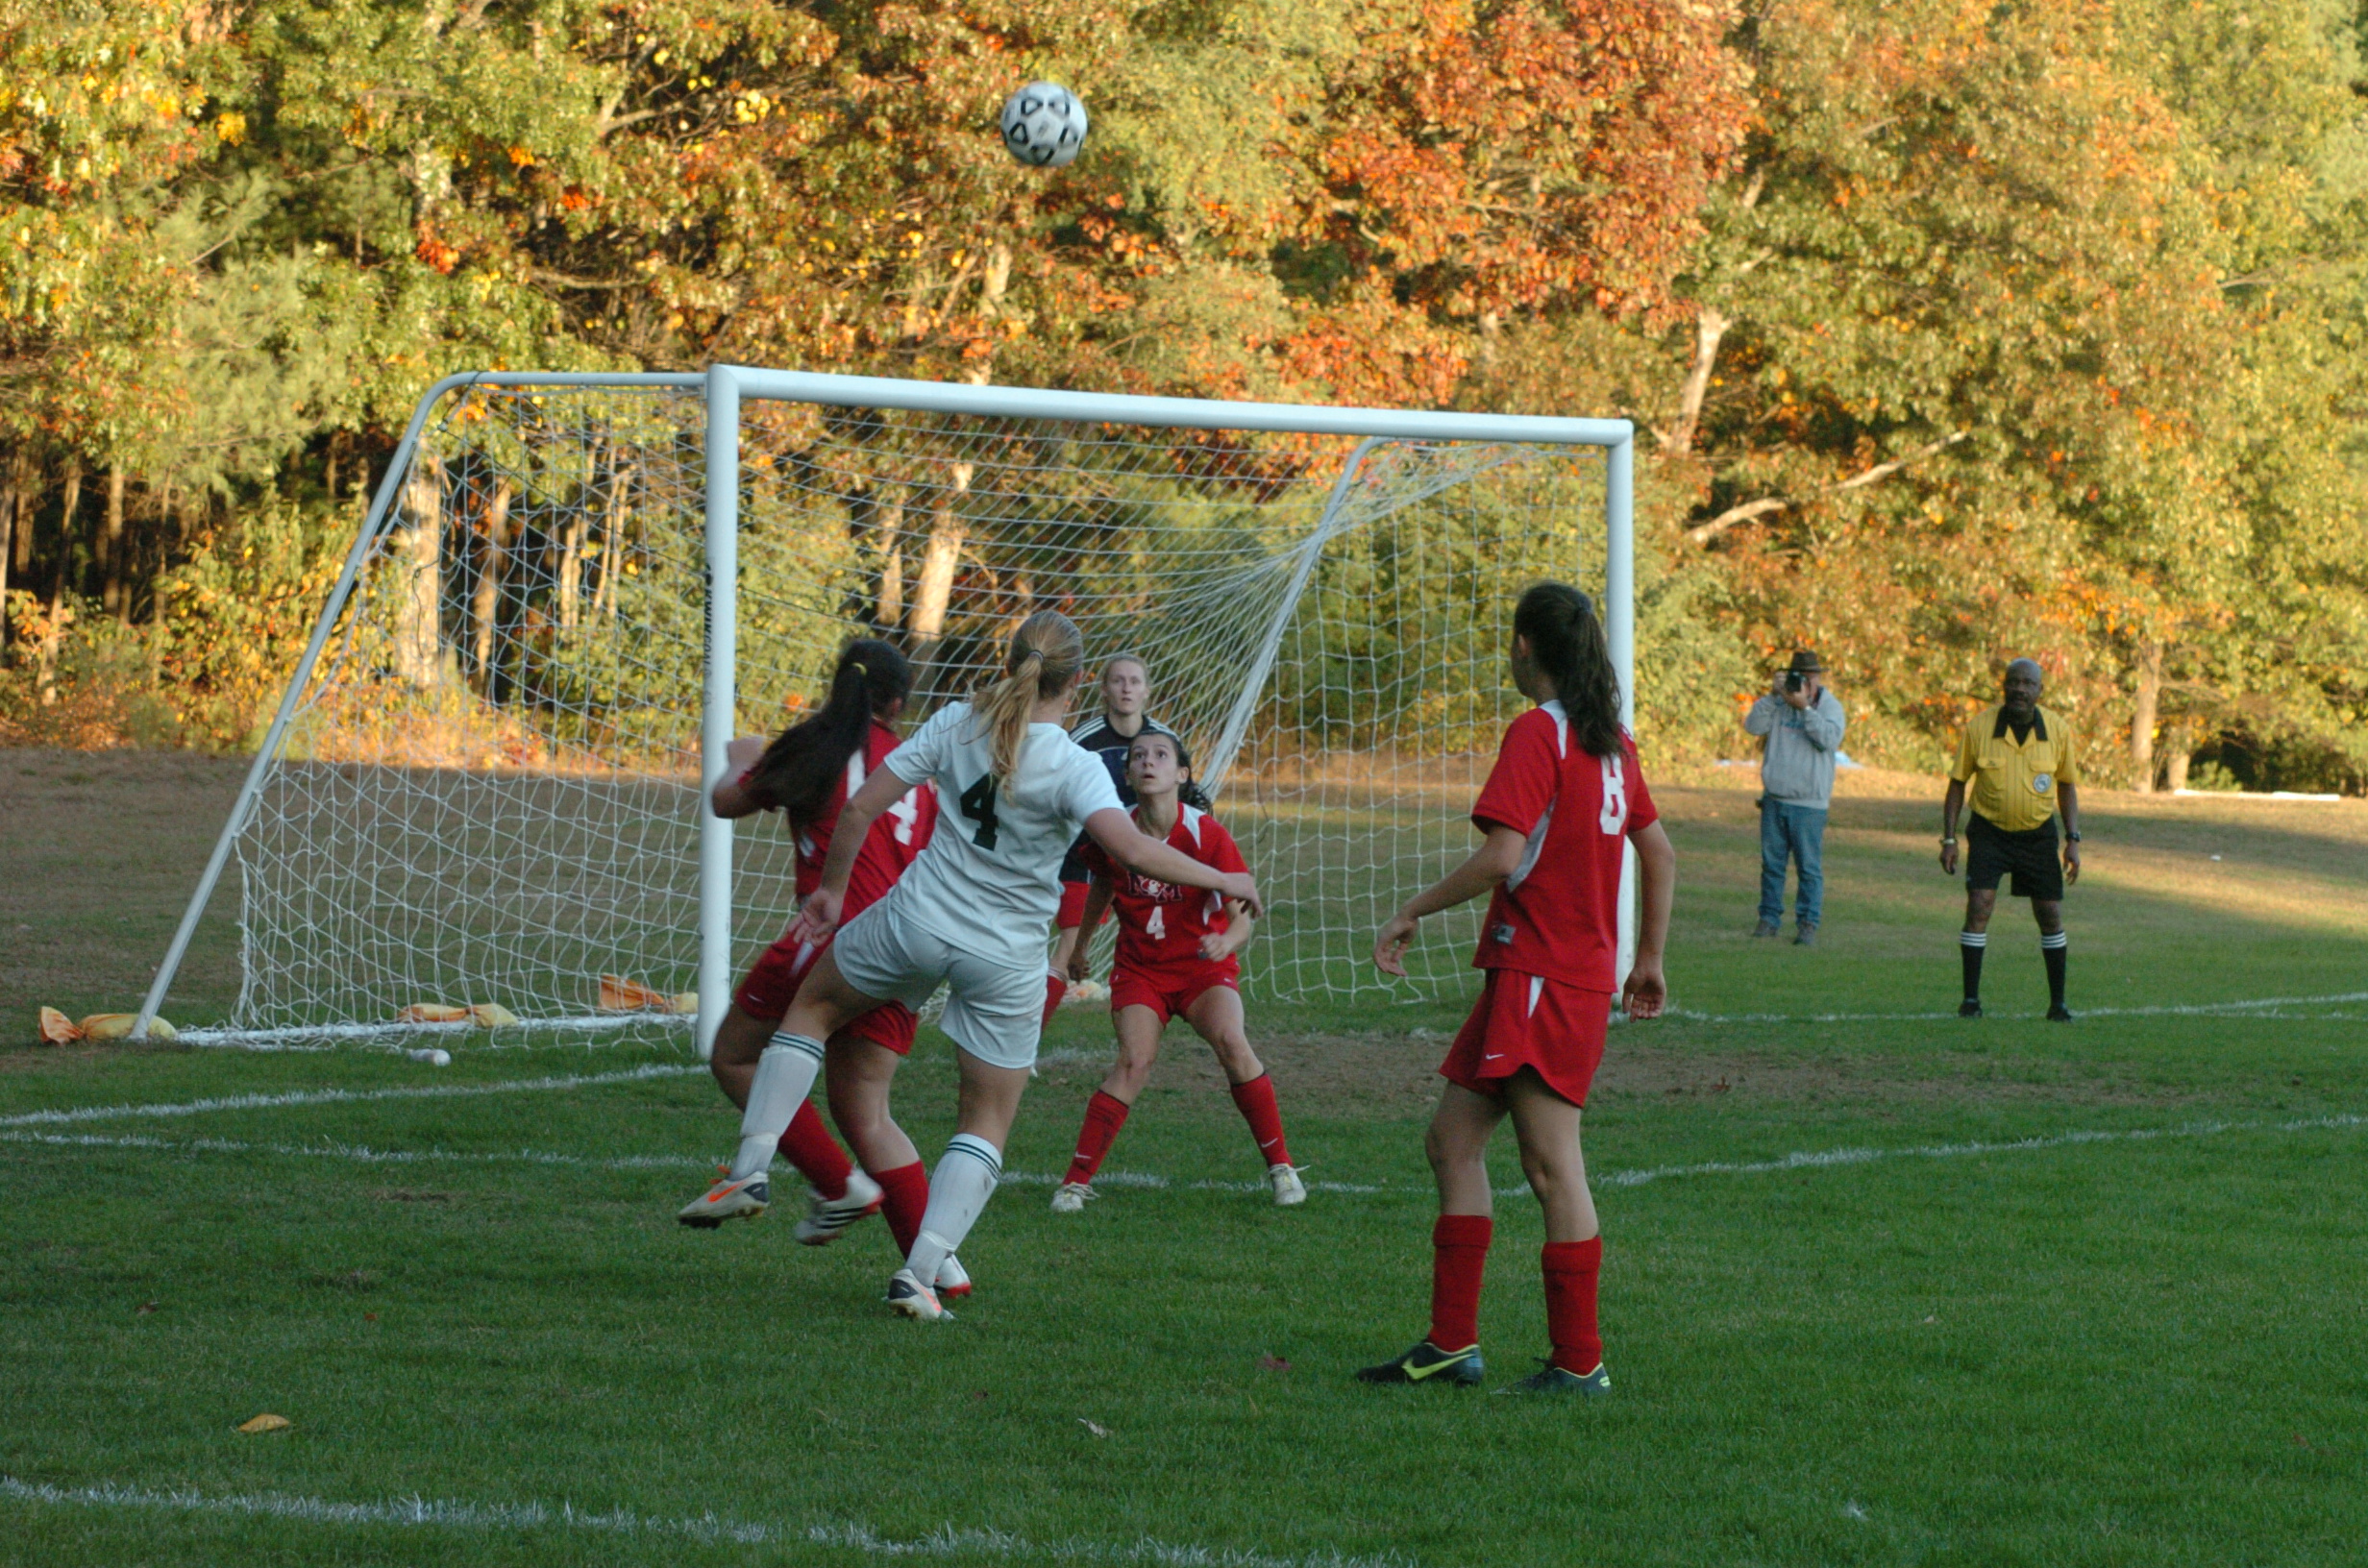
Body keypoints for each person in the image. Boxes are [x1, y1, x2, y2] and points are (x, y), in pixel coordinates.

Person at [676, 611, 1264, 1322]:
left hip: (914, 922)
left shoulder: (958, 722)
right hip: (1006, 957)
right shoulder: (1075, 764)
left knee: (811, 1011)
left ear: (1009, 661)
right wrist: (1224, 879)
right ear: (1077, 683)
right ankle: (919, 1276)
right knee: (984, 1119)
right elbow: (1132, 851)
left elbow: (859, 809)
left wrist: (831, 892)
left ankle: (751, 1167)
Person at [1357, 582, 1676, 1396]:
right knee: (1451, 1143)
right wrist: (1647, 958)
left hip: (1544, 976)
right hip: (1539, 976)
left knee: (1551, 1166)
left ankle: (1579, 1360)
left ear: (1525, 646)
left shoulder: (1541, 732)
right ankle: (1450, 1345)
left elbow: (1503, 857)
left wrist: (1412, 909)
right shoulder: (1612, 742)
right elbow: (1660, 853)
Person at [679, 639, 945, 1283]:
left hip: (832, 936)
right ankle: (941, 1273)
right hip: (908, 945)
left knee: (734, 1054)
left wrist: (743, 759)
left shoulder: (819, 744)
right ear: (898, 704)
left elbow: (727, 801)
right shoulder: (919, 764)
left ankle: (827, 1184)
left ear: (838, 686)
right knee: (867, 1112)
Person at [1051, 729, 1304, 1213]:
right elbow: (1103, 884)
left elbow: (1242, 914)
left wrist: (1225, 941)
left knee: (1232, 1042)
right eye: (1138, 756)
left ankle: (1282, 1167)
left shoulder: (1207, 834)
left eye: (1161, 755)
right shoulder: (1116, 831)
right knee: (1134, 1061)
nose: (1148, 762)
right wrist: (1081, 945)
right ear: (1128, 775)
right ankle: (1074, 1184)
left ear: (1181, 774)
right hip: (1140, 970)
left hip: (1201, 970)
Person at [1940, 657, 2081, 1020]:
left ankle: (2058, 1004)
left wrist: (2073, 839)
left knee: (2050, 913)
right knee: (1979, 907)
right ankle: (1970, 1001)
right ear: (2003, 686)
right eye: (2013, 682)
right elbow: (1957, 784)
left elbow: (2067, 786)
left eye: (2027, 683)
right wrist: (1949, 839)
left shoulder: (2057, 730)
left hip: (2038, 835)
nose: (2019, 689)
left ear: (2040, 691)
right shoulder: (1980, 728)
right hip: (1989, 832)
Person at [1043, 655, 1175, 1023]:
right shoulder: (1082, 740)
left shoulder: (1165, 741)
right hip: (1085, 858)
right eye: (1118, 681)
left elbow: (1185, 798)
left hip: (1144, 860)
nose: (1127, 688)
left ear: (1147, 691)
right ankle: (1025, 1041)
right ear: (1104, 690)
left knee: (1157, 950)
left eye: (1135, 681)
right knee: (1069, 949)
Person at [1741, 649, 1845, 945]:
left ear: (1818, 679)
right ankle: (1768, 918)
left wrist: (1806, 709)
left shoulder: (1829, 707)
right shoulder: (1779, 704)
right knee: (1772, 865)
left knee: (1808, 868)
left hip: (1809, 803)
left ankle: (1808, 923)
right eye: (1798, 677)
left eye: (1809, 678)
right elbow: (1752, 726)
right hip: (1775, 798)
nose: (1803, 683)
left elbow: (1829, 740)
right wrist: (1773, 696)